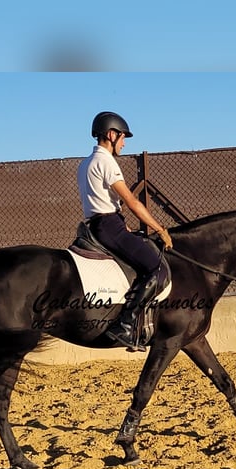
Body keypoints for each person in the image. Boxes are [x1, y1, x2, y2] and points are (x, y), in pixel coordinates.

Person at [77, 111, 173, 350]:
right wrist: (159, 228)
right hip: (109, 225)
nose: (124, 142)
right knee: (158, 268)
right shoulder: (106, 161)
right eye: (122, 137)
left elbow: (101, 201)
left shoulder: (86, 162)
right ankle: (127, 325)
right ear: (111, 134)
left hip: (102, 224)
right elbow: (132, 201)